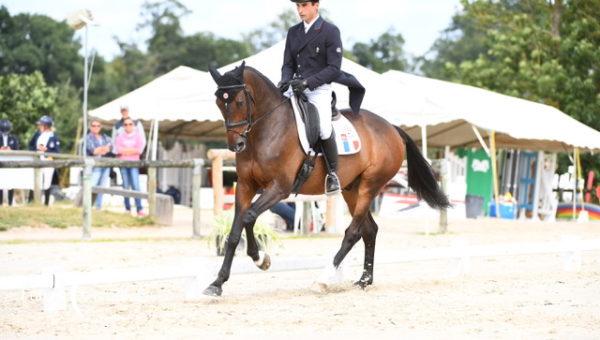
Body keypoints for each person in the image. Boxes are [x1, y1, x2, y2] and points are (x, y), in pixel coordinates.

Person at [278, 0, 365, 195]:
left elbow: (333, 69)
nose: (300, 11)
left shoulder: (330, 31)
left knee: (324, 128)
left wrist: (308, 83)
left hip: (318, 89)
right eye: (298, 6)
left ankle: (333, 174)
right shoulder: (293, 32)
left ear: (316, 5)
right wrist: (284, 80)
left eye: (304, 5)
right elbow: (288, 63)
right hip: (295, 87)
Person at [115, 117, 145, 216]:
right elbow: (118, 150)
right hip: (123, 164)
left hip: (134, 164)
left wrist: (126, 150)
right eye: (126, 124)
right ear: (123, 126)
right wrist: (131, 150)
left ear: (133, 125)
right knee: (126, 186)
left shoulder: (138, 136)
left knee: (136, 186)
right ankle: (127, 208)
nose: (128, 126)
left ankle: (139, 208)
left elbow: (139, 150)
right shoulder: (119, 136)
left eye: (130, 124)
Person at [28, 115, 60, 205]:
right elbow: (31, 145)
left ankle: (46, 202)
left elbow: (57, 152)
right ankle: (30, 200)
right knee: (33, 179)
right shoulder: (37, 134)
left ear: (46, 126)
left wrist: (47, 150)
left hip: (48, 161)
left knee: (47, 181)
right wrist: (36, 150)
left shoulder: (54, 137)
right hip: (37, 160)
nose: (39, 127)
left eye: (41, 125)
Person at [86, 119, 112, 210]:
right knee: (92, 186)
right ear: (90, 127)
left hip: (105, 165)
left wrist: (101, 149)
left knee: (102, 187)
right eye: (93, 125)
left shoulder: (105, 137)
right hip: (94, 166)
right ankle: (88, 206)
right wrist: (103, 149)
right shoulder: (88, 137)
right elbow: (93, 151)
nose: (96, 127)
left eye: (98, 126)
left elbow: (111, 147)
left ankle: (98, 207)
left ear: (101, 127)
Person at [0, 119, 20, 206]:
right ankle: (0, 203)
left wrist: (10, 150)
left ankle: (10, 202)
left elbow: (17, 149)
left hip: (10, 162)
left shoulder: (13, 138)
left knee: (11, 183)